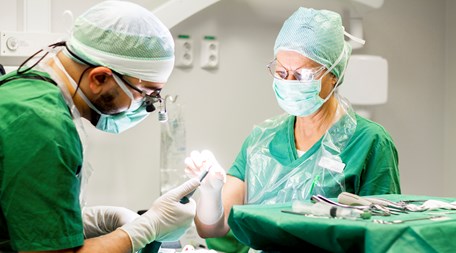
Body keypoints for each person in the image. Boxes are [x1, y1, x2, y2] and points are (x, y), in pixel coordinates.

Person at [184, 7, 401, 252]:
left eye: (303, 75)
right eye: (281, 73)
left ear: (334, 75)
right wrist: (211, 193)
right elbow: (212, 229)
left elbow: (385, 235)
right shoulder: (262, 140)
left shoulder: (370, 141)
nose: (288, 83)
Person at [0, 1, 200, 252]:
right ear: (100, 78)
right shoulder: (42, 124)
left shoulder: (23, 89)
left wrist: (83, 223)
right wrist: (146, 228)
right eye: (147, 96)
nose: (146, 108)